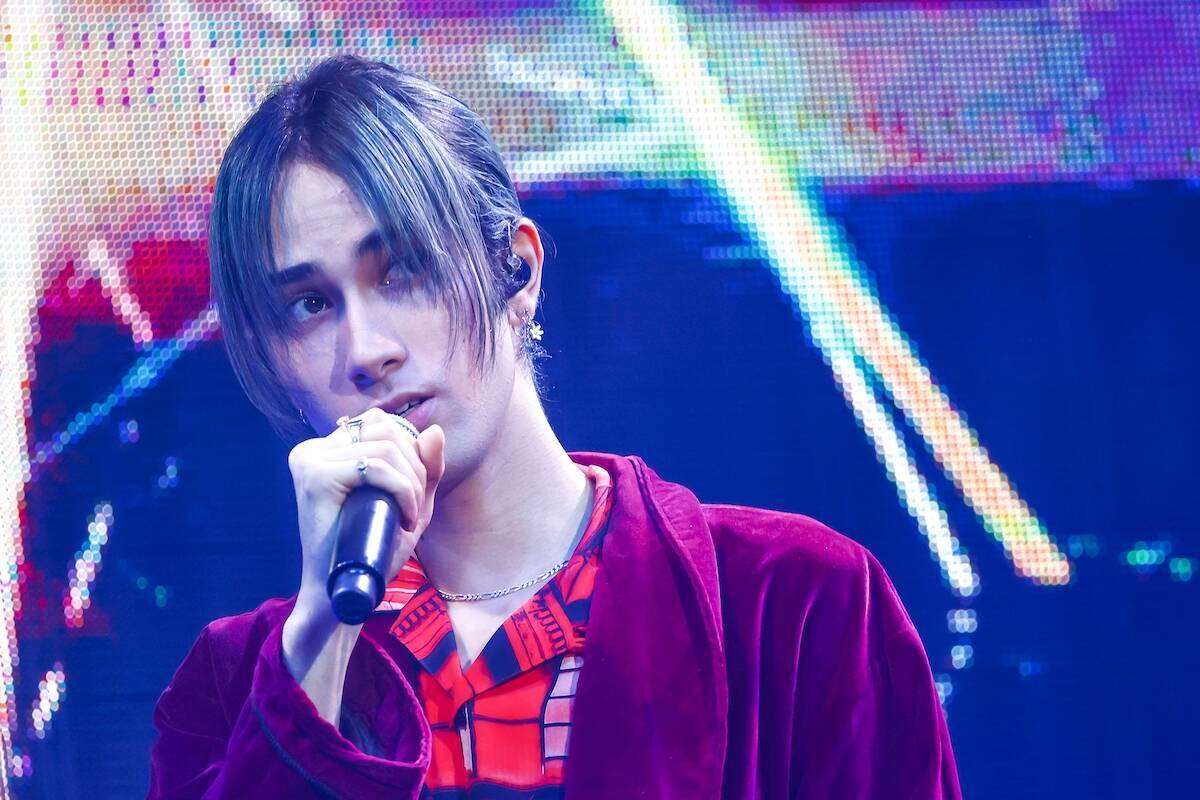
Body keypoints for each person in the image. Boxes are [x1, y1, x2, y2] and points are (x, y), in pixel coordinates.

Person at [147, 54, 961, 799]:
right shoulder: (233, 684)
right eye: (308, 305)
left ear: (519, 272)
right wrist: (318, 648)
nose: (366, 351)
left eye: (402, 270)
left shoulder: (797, 604)